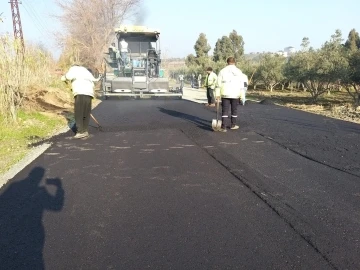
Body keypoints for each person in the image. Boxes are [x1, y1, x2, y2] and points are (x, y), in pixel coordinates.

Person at [61, 62, 102, 139]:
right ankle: (85, 130)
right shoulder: (85, 71)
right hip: (89, 94)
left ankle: (80, 132)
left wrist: (63, 78)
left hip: (80, 93)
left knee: (79, 113)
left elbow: (68, 77)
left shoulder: (73, 69)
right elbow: (95, 80)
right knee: (86, 112)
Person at [215, 57, 246, 132]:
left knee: (225, 110)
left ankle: (223, 127)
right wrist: (242, 96)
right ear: (235, 62)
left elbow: (218, 84)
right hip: (236, 94)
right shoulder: (239, 72)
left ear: (227, 62)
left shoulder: (222, 71)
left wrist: (217, 94)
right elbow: (242, 86)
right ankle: (233, 125)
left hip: (225, 94)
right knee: (234, 110)